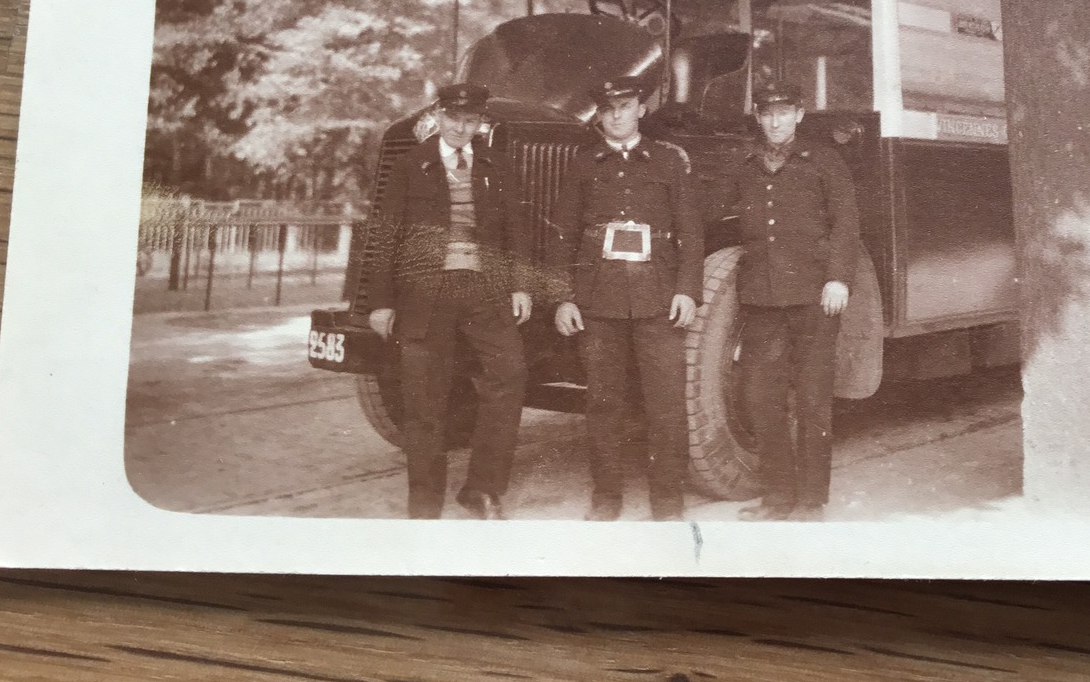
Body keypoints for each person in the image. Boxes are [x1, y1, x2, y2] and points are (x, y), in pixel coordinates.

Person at [364, 82, 533, 520]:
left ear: (480, 122)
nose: (461, 127)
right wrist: (379, 303)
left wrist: (519, 285)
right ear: (438, 114)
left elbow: (516, 229)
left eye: (471, 120)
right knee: (423, 399)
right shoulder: (409, 166)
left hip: (485, 290)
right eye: (454, 117)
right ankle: (424, 506)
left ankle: (482, 489)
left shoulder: (497, 164)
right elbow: (384, 237)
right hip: (425, 295)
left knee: (509, 376)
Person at [548, 76, 703, 521]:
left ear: (641, 109)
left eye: (625, 105)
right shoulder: (582, 164)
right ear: (599, 113)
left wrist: (688, 291)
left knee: (666, 404)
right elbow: (563, 236)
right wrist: (563, 298)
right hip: (599, 300)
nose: (616, 114)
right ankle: (606, 496)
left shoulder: (670, 162)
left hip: (658, 298)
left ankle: (668, 501)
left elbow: (691, 234)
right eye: (607, 107)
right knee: (602, 402)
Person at [735, 81, 861, 522]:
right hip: (761, 300)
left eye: (784, 113)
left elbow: (846, 224)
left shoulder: (825, 161)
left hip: (813, 298)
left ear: (799, 115)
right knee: (761, 399)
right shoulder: (746, 164)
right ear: (757, 116)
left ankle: (810, 502)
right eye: (767, 114)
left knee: (812, 400)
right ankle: (777, 498)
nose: (775, 121)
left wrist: (839, 279)